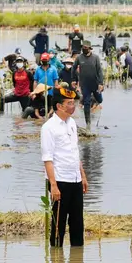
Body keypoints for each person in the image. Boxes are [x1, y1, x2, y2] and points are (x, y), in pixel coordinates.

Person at [41, 85, 88, 247]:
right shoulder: (48, 128)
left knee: (77, 223)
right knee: (58, 225)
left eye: (73, 103)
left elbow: (75, 152)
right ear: (59, 106)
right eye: (69, 103)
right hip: (59, 180)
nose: (72, 106)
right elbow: (47, 159)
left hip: (75, 179)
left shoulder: (72, 123)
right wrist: (53, 185)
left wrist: (82, 175)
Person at [73, 41, 104, 128]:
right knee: (86, 102)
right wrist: (74, 80)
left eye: (86, 48)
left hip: (95, 83)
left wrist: (101, 83)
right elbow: (73, 68)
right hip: (85, 84)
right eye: (83, 48)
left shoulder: (95, 58)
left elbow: (99, 71)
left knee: (100, 100)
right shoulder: (79, 58)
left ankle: (97, 101)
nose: (84, 49)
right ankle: (88, 123)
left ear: (90, 48)